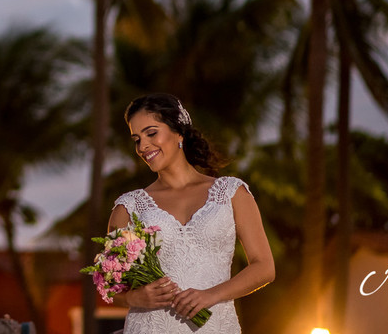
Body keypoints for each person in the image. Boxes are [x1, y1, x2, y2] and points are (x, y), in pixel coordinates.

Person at [104, 93, 274, 333]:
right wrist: (135, 298)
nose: (143, 146)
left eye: (151, 133)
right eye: (136, 139)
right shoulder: (128, 207)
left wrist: (211, 295)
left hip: (216, 326)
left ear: (179, 131)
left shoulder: (230, 193)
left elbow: (264, 267)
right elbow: (109, 284)